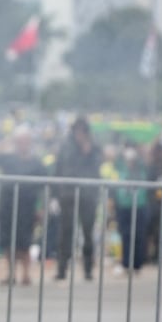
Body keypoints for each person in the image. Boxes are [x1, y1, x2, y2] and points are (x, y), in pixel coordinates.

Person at [0, 126, 46, 286]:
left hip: (28, 206)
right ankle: (11, 273)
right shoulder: (8, 158)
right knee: (8, 240)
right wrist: (5, 142)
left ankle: (26, 273)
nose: (22, 144)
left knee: (25, 241)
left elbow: (44, 188)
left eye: (25, 141)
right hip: (8, 204)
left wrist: (41, 207)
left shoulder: (37, 163)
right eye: (19, 141)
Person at [53, 117, 103, 281]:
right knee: (65, 232)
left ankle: (88, 269)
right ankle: (62, 269)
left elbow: (97, 166)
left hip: (88, 195)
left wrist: (87, 150)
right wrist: (54, 195)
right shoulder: (66, 146)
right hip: (68, 194)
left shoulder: (93, 147)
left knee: (88, 234)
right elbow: (59, 168)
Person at [111, 143, 149, 275]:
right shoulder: (121, 167)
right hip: (124, 206)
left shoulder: (141, 167)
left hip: (139, 205)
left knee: (138, 235)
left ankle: (137, 264)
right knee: (125, 235)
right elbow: (116, 162)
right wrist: (122, 152)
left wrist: (137, 155)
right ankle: (126, 264)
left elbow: (145, 163)